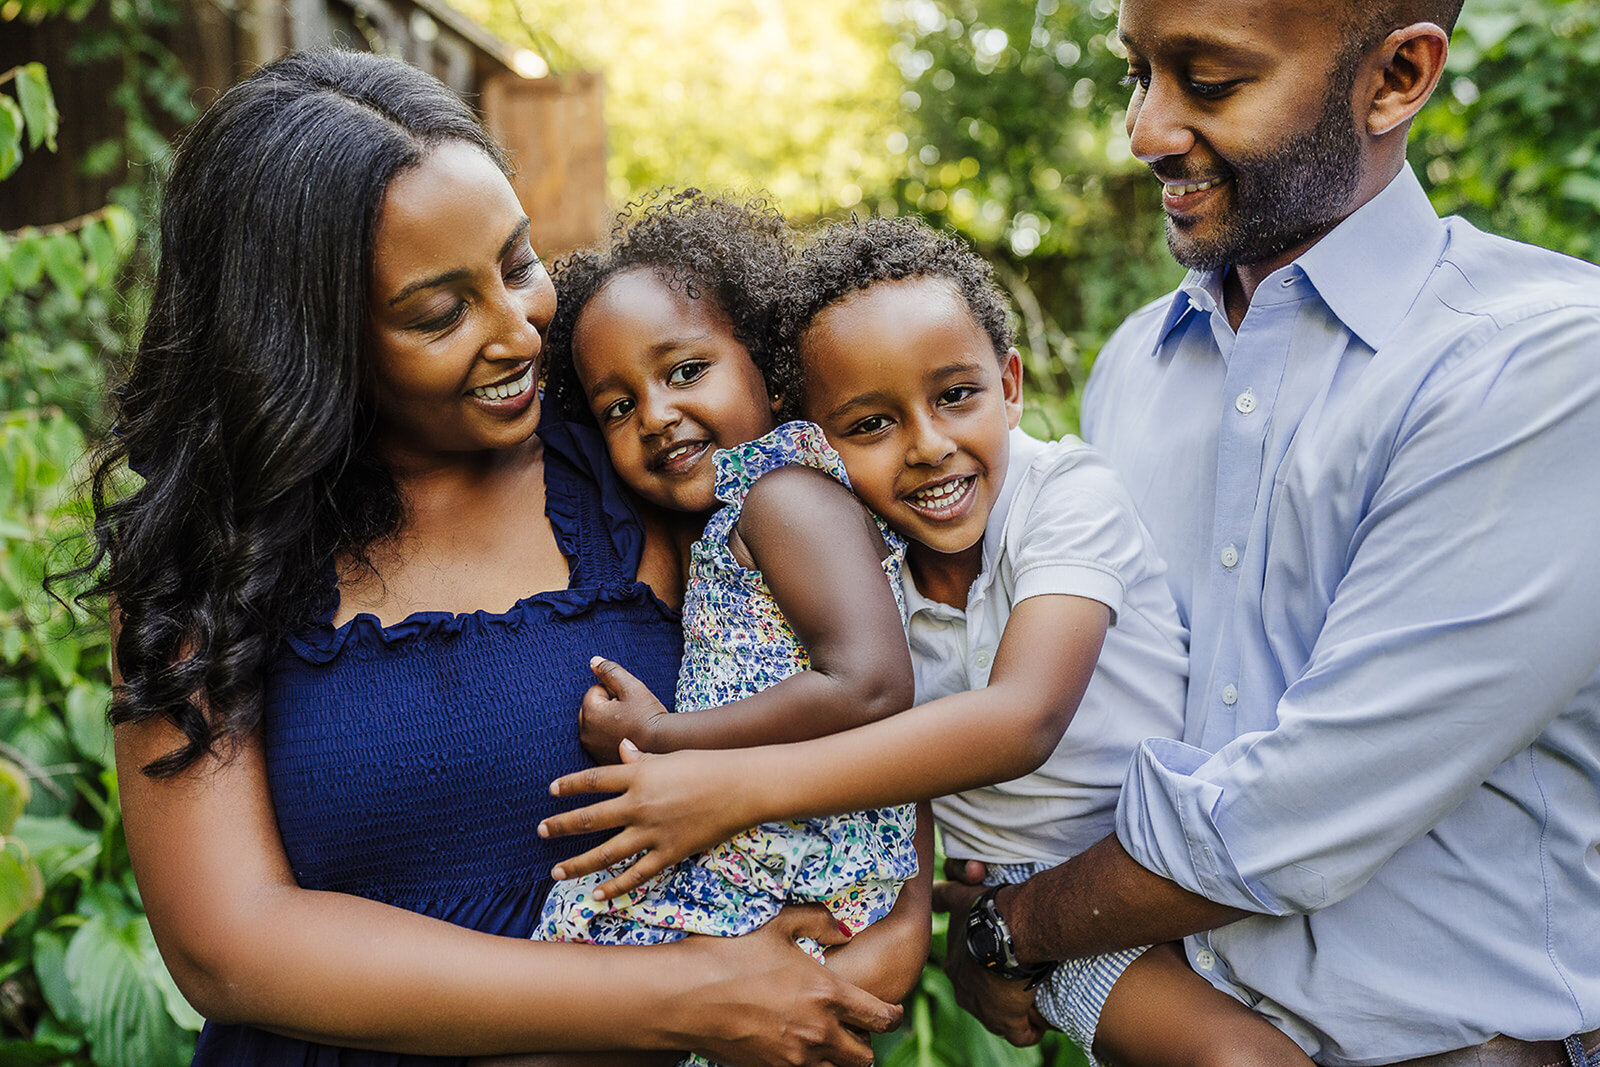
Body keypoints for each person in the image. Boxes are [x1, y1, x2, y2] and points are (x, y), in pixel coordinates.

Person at [79, 49, 903, 1066]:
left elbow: (871, 687)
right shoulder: (208, 557)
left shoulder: (638, 462)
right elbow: (229, 945)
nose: (519, 330)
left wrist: (895, 924)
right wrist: (679, 992)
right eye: (440, 312)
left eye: (518, 264)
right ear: (305, 339)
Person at [924, 0, 1600, 1063]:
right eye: (1137, 73)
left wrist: (1014, 929)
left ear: (1397, 77)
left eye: (1210, 80)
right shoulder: (1134, 369)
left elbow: (1294, 812)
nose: (1144, 130)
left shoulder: (1539, 366)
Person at [537, 214, 1313, 1065]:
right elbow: (884, 754)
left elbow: (1021, 717)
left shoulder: (1065, 499)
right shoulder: (860, 553)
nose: (928, 447)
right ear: (819, 437)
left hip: (1160, 858)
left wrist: (707, 770)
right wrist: (917, 899)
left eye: (955, 396)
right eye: (870, 425)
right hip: (1043, 899)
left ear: (1009, 385)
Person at [531, 190, 930, 1032]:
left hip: (801, 863)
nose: (657, 415)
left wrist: (665, 737)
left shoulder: (784, 497)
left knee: (560, 997)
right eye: (617, 405)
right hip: (777, 853)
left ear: (763, 358)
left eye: (685, 371)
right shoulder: (735, 518)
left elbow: (871, 685)